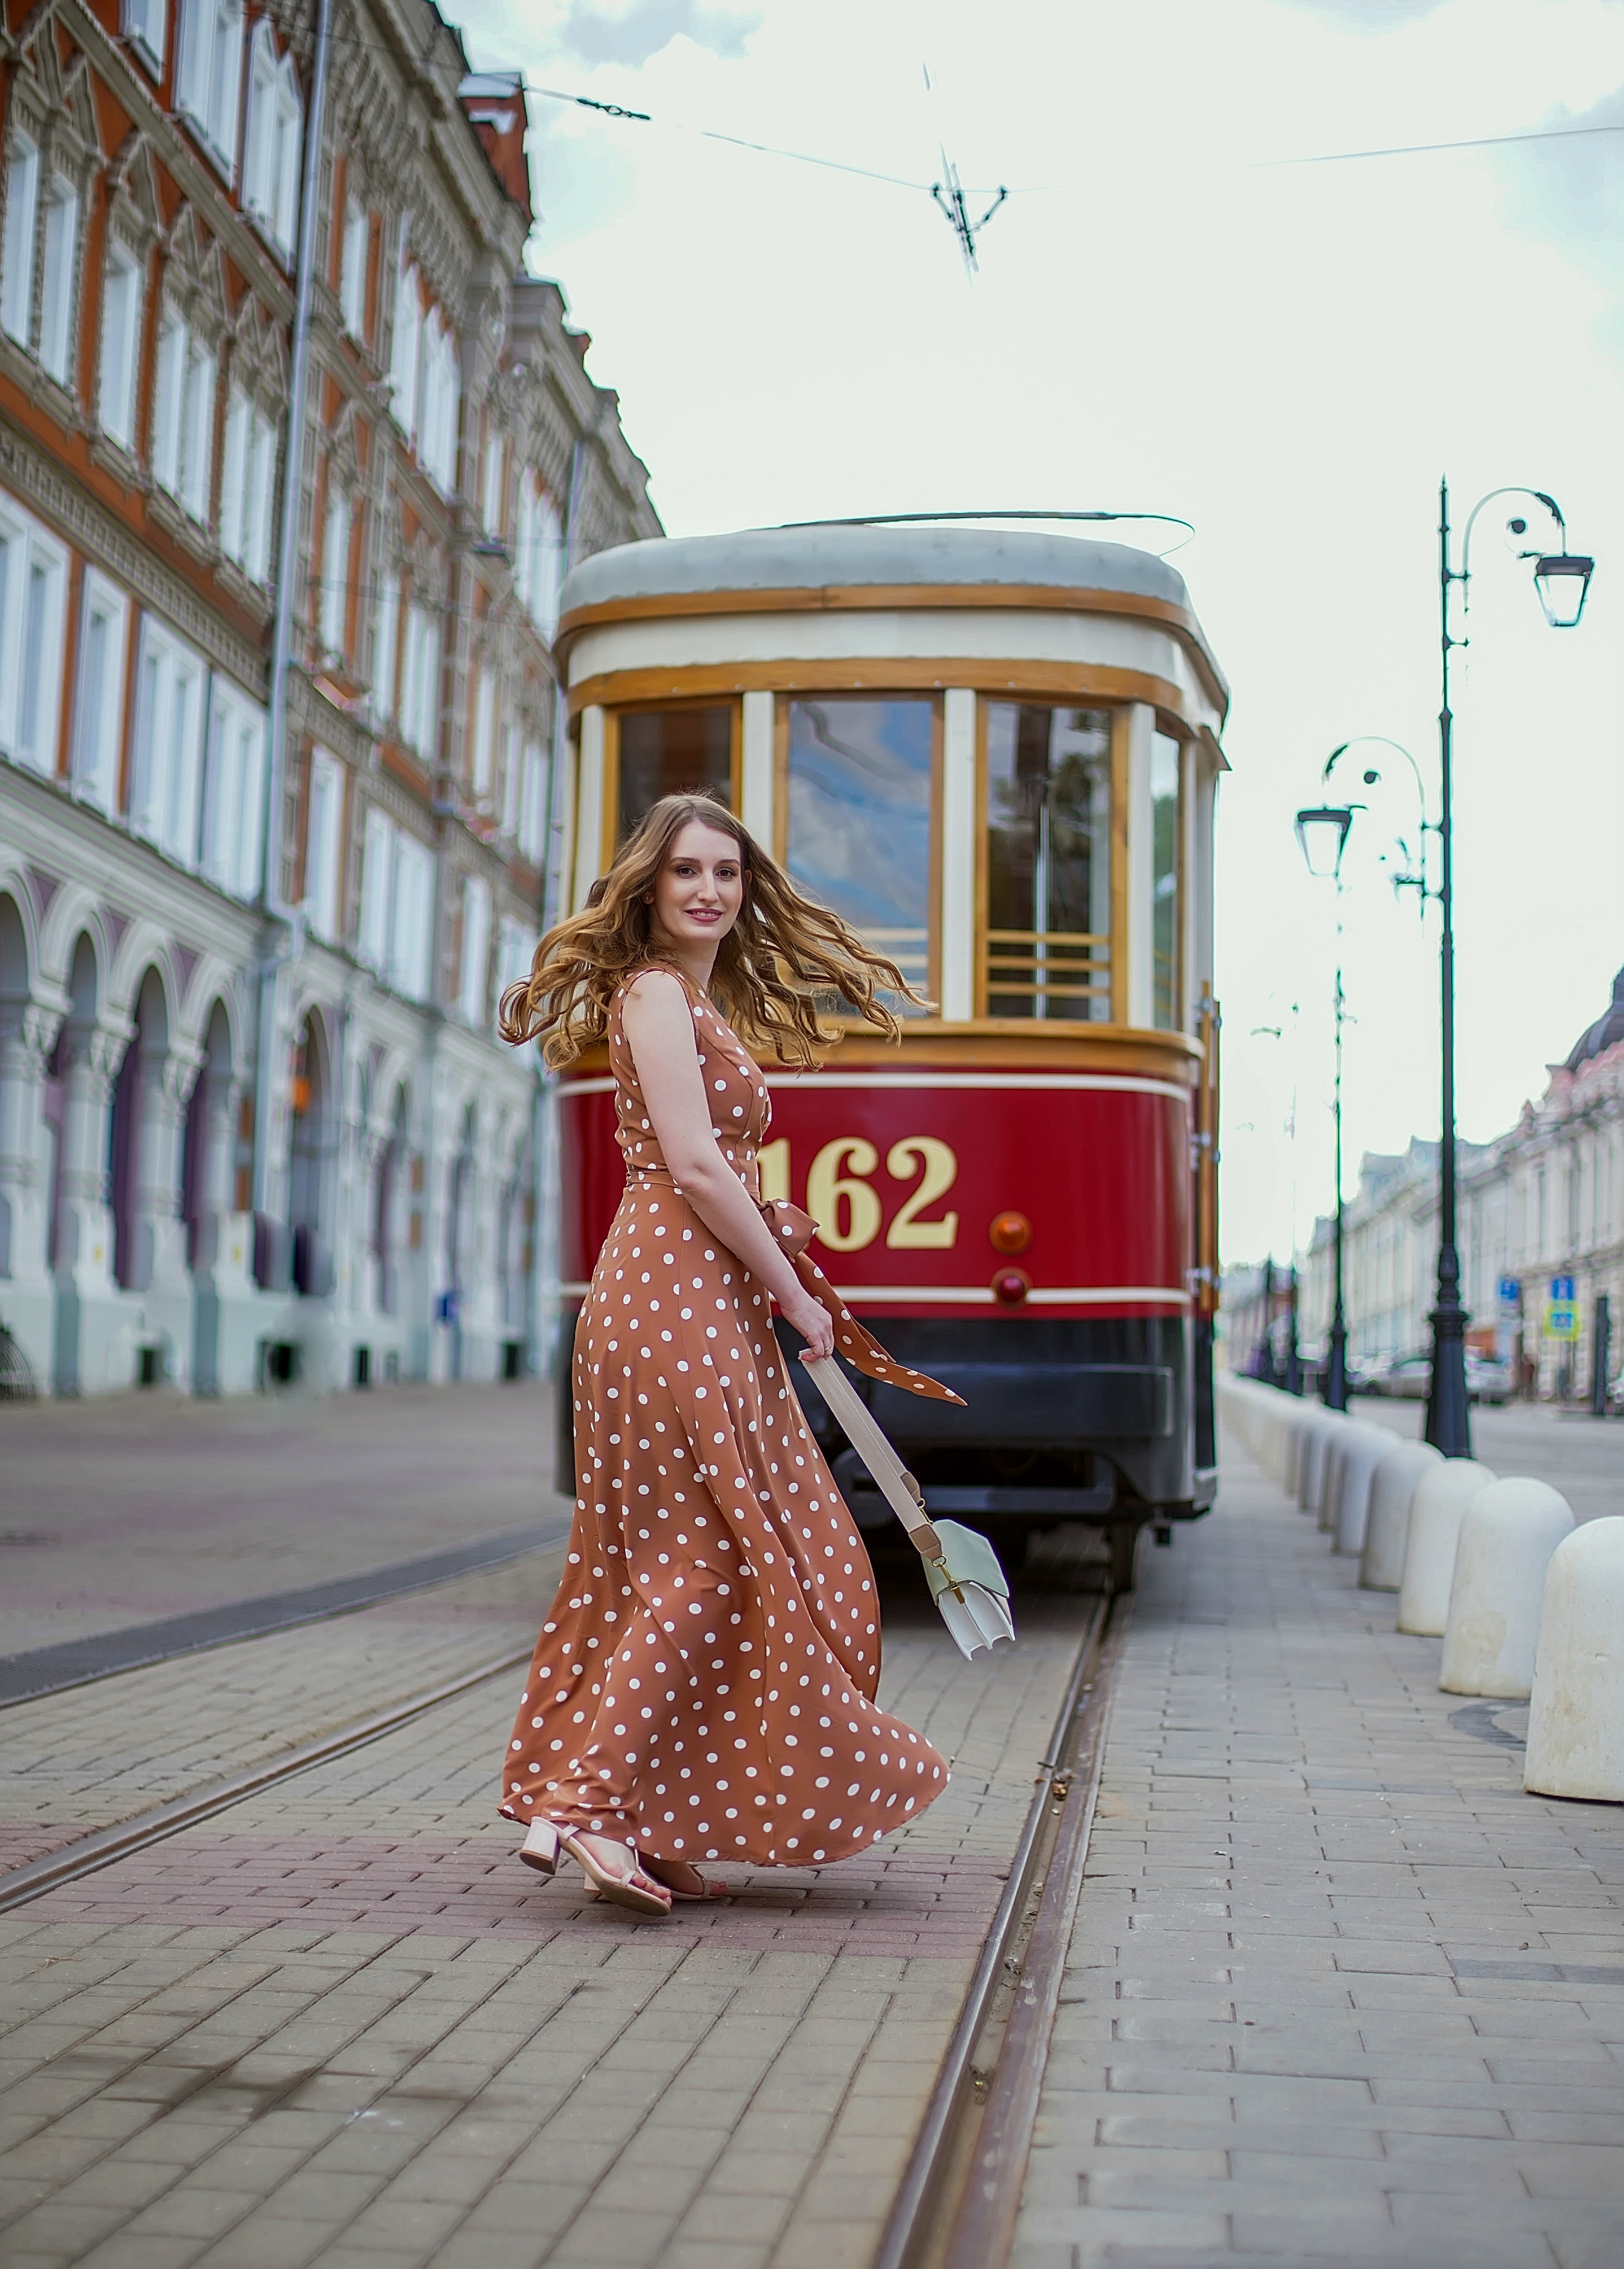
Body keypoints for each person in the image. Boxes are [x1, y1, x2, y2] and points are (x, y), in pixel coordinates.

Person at [495, 791, 960, 1916]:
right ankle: (588, 1806)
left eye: (729, 874)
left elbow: (709, 1171)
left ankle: (633, 1816)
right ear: (649, 887)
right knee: (705, 1567)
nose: (710, 890)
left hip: (695, 1300)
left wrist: (774, 1245)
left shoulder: (687, 1000)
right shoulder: (653, 991)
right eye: (688, 871)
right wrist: (794, 1288)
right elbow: (697, 1169)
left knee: (711, 1563)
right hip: (671, 1303)